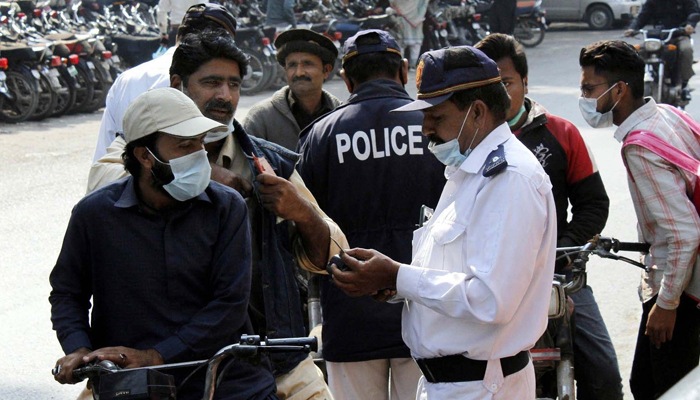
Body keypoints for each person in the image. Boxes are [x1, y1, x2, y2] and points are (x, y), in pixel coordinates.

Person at [88, 30, 345, 400]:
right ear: (178, 84)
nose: (224, 96)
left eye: (234, 84)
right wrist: (200, 174)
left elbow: (334, 257)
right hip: (151, 363)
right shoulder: (136, 147)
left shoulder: (266, 163)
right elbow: (101, 188)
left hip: (266, 356)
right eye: (211, 82)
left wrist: (302, 212)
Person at [328, 45, 557, 400]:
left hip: (481, 386)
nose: (425, 129)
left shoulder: (509, 177)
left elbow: (490, 300)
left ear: (477, 112)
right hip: (452, 384)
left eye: (435, 117)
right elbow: (453, 273)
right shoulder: (468, 172)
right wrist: (395, 285)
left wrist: (397, 276)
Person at [50, 88, 278, 400]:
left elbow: (229, 304)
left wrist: (157, 355)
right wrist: (79, 348)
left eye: (200, 144)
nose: (199, 154)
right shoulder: (94, 214)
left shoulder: (227, 207)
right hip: (130, 384)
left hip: (224, 379)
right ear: (144, 155)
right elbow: (67, 292)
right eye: (185, 145)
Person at [297, 30, 445, 400]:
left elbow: (303, 227)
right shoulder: (436, 126)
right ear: (405, 70)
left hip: (350, 316)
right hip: (427, 310)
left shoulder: (320, 136)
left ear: (346, 80)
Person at [475, 33, 618, 399]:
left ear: (525, 81)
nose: (499, 94)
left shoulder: (562, 133)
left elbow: (594, 205)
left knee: (603, 374)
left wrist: (564, 250)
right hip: (487, 282)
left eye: (506, 83)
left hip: (559, 274)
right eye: (488, 85)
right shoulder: (464, 141)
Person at [579, 40, 700, 400]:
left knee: (658, 389)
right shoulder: (666, 113)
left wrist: (666, 305)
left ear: (619, 90)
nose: (584, 98)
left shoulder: (639, 146)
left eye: (589, 88)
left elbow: (684, 234)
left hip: (682, 291)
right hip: (687, 283)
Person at [92, 3, 237, 163]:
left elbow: (103, 154)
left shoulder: (126, 79)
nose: (225, 95)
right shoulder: (205, 82)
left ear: (178, 36)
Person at [243, 29, 342, 152]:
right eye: (292, 65)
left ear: (326, 70)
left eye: (307, 64)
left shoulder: (340, 116)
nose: (299, 73)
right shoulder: (261, 118)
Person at [624, 0, 699, 98]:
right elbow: (643, 16)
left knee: (686, 50)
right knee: (636, 51)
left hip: (679, 35)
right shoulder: (653, 1)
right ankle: (631, 83)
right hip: (657, 36)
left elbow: (693, 12)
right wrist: (632, 28)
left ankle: (684, 85)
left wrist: (690, 25)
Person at [390, 0, 429, 68]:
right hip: (415, 18)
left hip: (402, 17)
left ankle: (403, 65)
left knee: (401, 43)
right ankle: (410, 65)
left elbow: (393, 3)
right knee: (413, 44)